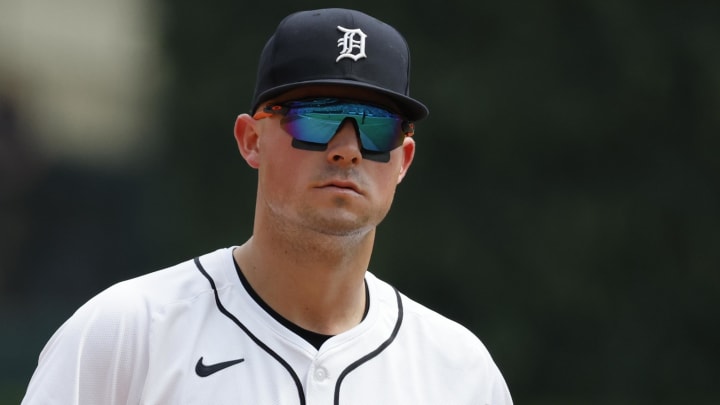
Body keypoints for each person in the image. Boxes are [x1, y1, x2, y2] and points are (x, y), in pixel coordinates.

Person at [22, 8, 513, 404]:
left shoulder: (460, 372)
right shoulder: (126, 333)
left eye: (376, 125)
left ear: (403, 160)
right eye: (316, 118)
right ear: (251, 139)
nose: (348, 149)